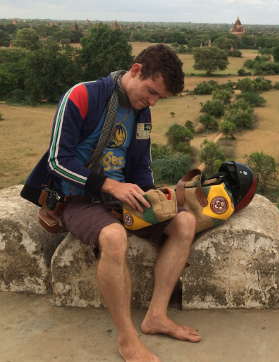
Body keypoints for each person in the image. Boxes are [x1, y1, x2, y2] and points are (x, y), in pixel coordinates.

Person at [21, 44, 200, 361]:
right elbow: (57, 162)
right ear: (135, 70)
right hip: (79, 198)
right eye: (151, 91)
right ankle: (127, 339)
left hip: (123, 196)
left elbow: (141, 164)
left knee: (184, 222)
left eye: (160, 97)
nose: (153, 101)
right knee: (114, 237)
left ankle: (156, 316)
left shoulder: (142, 113)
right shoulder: (82, 96)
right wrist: (110, 186)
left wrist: (151, 196)